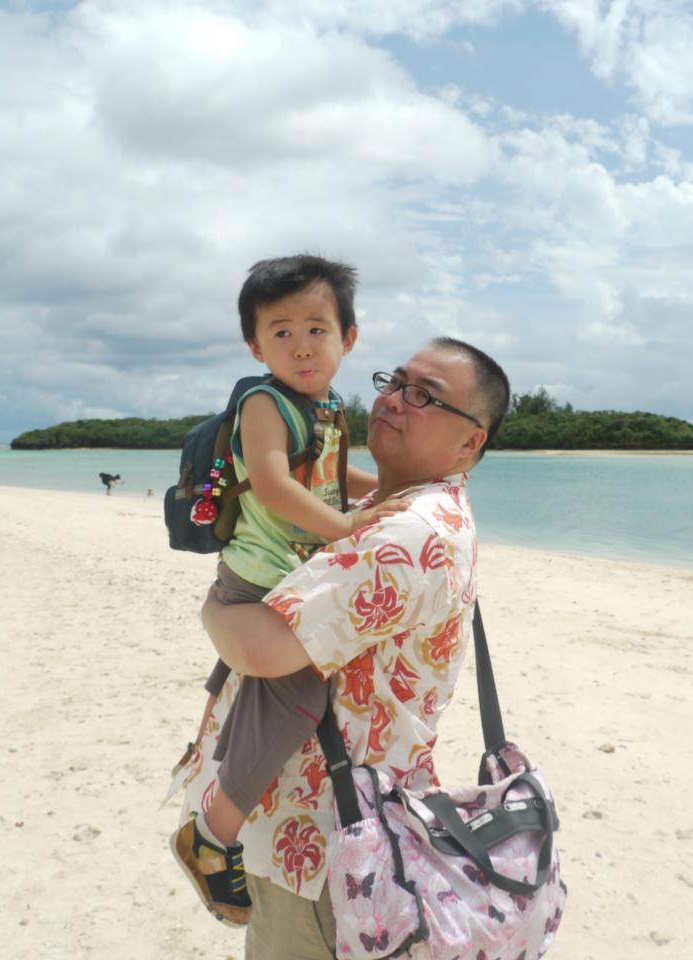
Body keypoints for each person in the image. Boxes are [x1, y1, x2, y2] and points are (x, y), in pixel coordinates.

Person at [197, 338, 509, 960]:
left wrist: (214, 607)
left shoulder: (410, 533)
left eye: (424, 396)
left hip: (322, 837)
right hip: (335, 819)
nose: (393, 400)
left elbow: (261, 649)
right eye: (394, 382)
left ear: (470, 442)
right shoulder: (389, 506)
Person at [171, 255, 407, 927]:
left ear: (347, 338)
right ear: (255, 346)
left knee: (260, 683)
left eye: (316, 329)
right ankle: (210, 835)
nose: (301, 346)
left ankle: (207, 769)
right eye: (281, 332)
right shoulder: (264, 404)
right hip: (260, 575)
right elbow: (275, 485)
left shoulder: (323, 406)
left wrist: (391, 491)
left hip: (289, 570)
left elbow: (328, 473)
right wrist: (352, 529)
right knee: (299, 694)